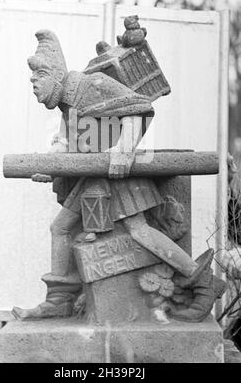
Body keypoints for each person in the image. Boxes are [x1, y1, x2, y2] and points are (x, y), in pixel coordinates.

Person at [12, 29, 223, 322]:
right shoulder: (67, 102)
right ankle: (59, 300)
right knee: (60, 228)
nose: (33, 86)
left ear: (54, 75)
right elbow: (66, 141)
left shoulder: (93, 84)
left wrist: (124, 149)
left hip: (120, 179)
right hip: (92, 179)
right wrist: (52, 168)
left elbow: (139, 107)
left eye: (37, 79)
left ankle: (203, 284)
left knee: (140, 231)